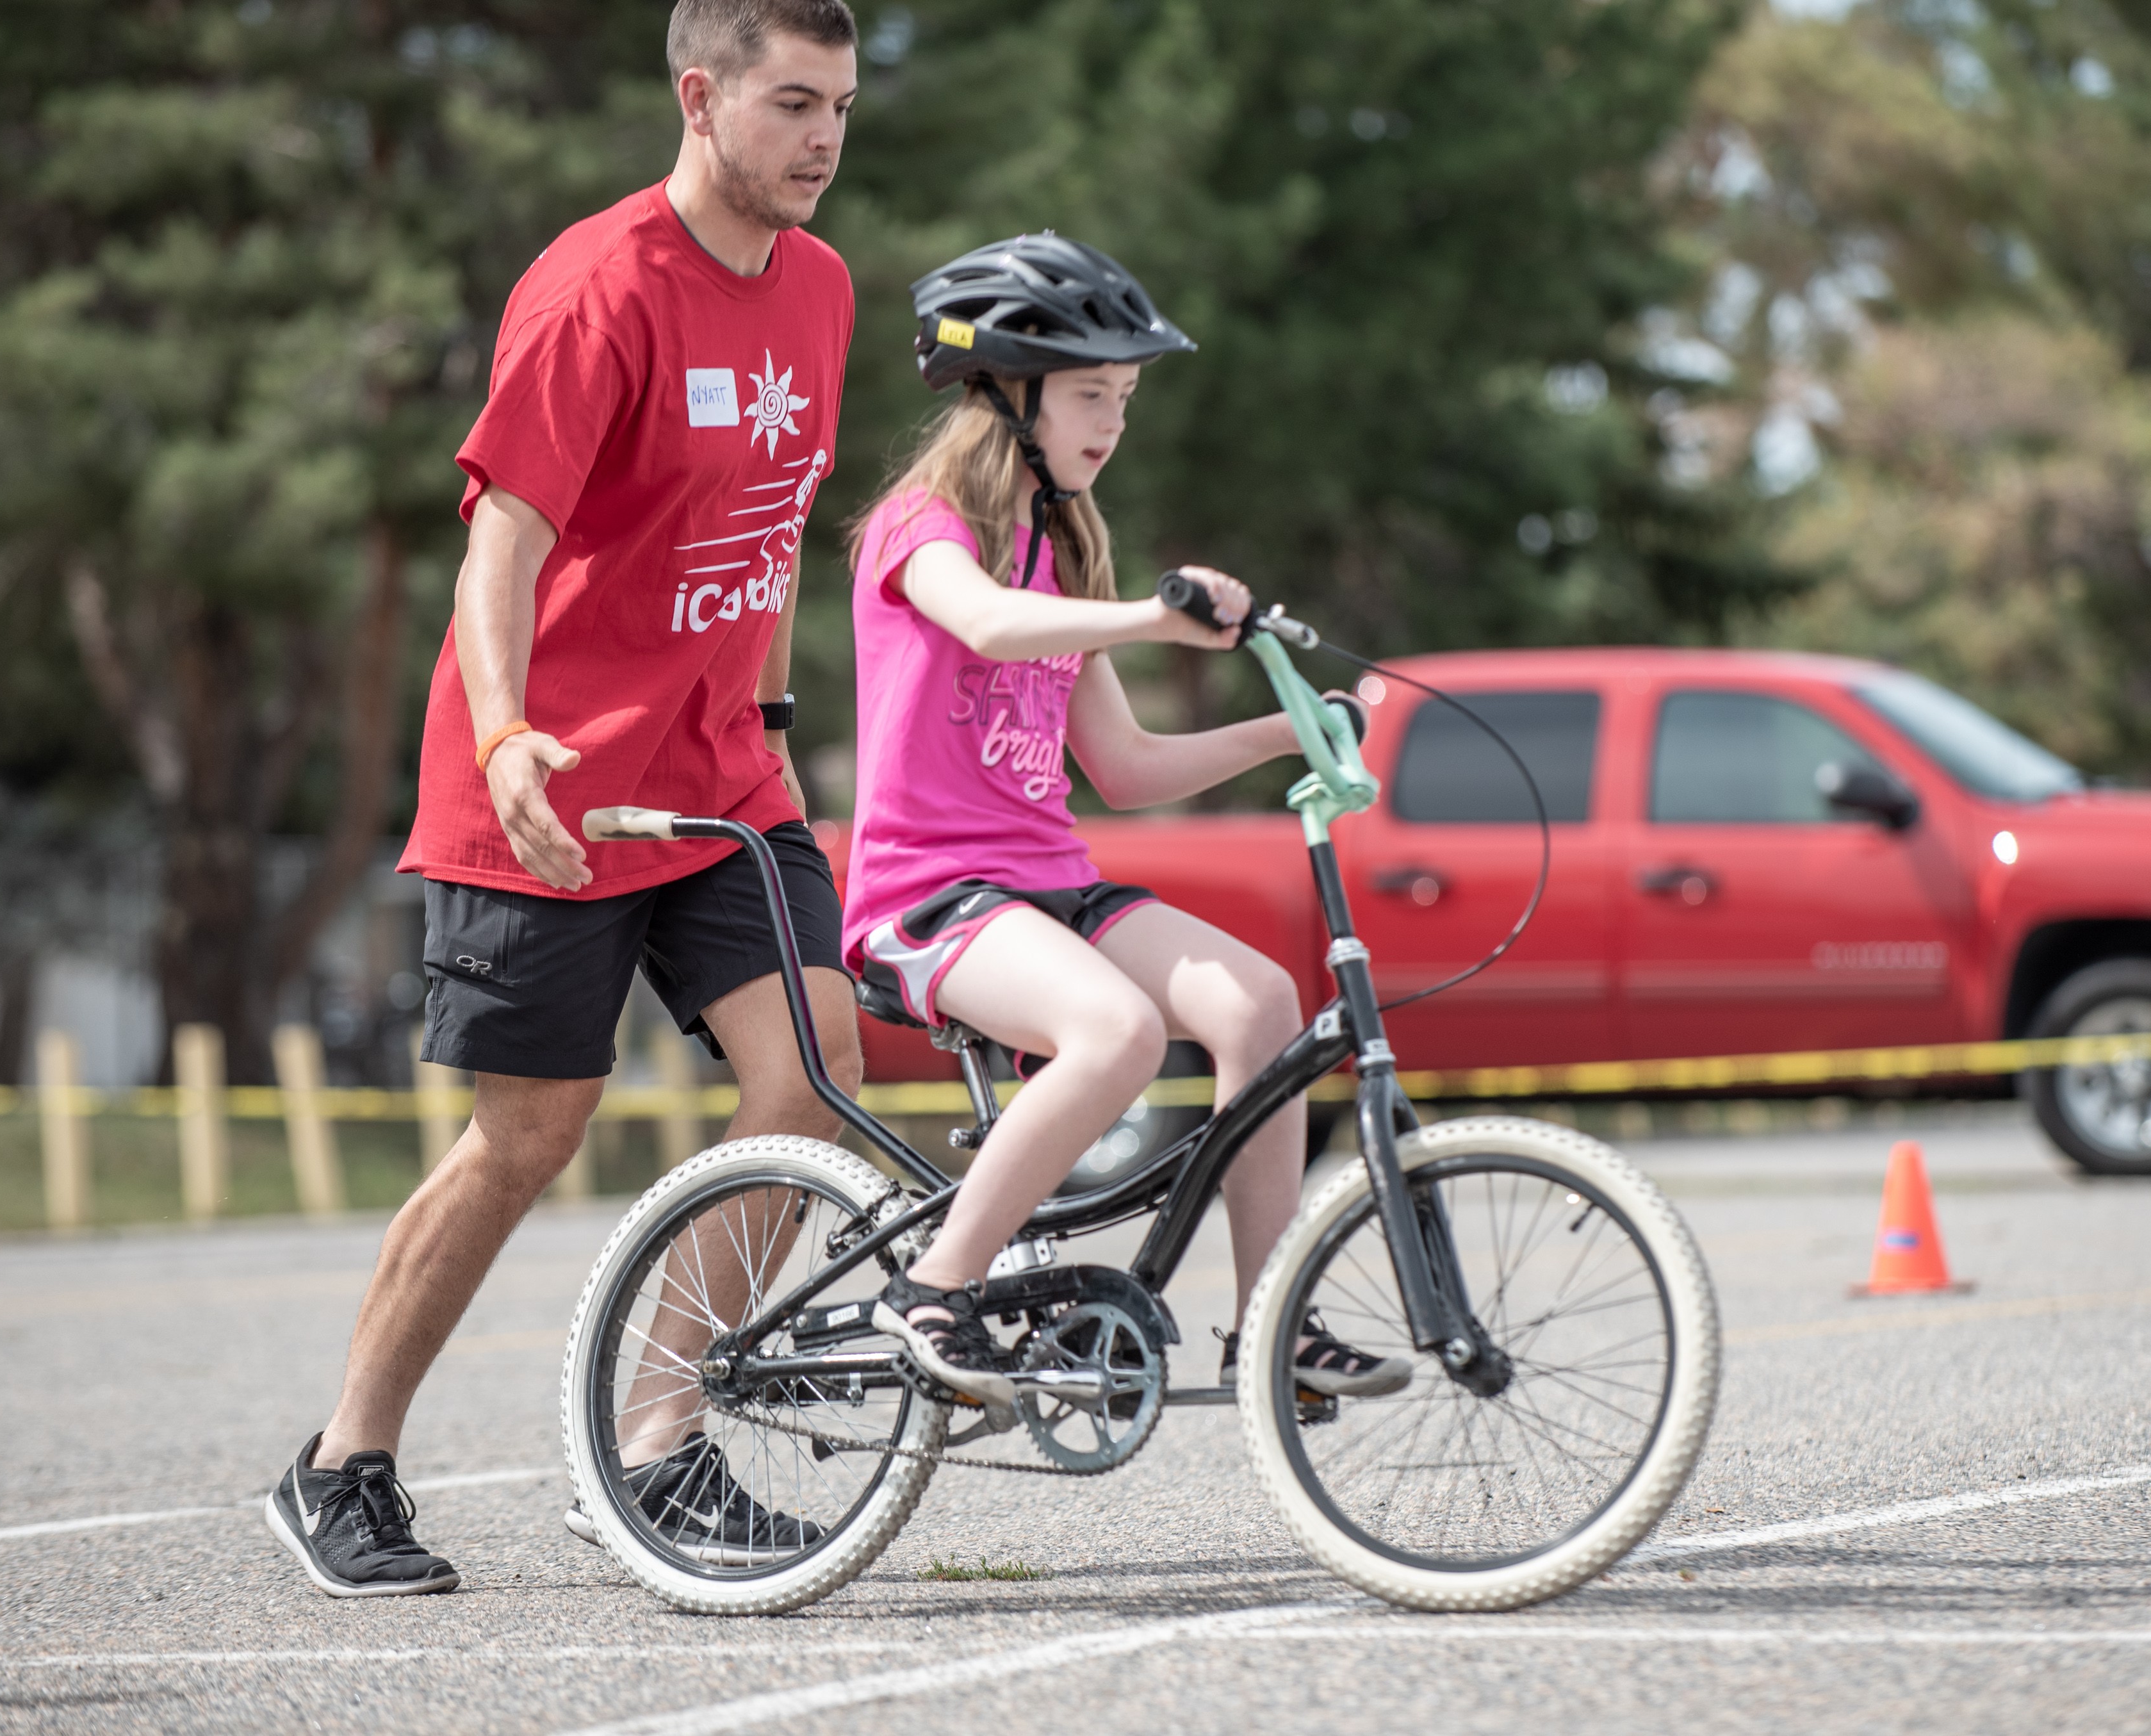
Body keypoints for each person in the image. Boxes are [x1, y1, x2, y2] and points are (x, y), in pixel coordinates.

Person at [264, 0, 865, 1599]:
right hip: (551, 785)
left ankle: (656, 1444)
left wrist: (780, 716)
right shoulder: (597, 288)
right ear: (699, 95)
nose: (822, 139)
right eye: (793, 103)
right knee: (527, 1135)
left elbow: (774, 522)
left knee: (809, 1073)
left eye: (842, 108)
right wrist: (516, 731)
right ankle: (341, 1461)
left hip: (722, 769)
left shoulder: (819, 288)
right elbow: (502, 545)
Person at [844, 236, 1412, 1411]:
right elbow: (990, 628)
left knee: (1262, 1003)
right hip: (926, 898)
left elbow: (1128, 766)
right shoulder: (922, 527)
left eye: (1126, 398)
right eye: (1091, 393)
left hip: (1048, 882)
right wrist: (1150, 621)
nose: (1111, 421)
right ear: (1008, 392)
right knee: (1117, 1031)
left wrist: (1286, 733)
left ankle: (1269, 1323)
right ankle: (933, 1288)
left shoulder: (1067, 547)